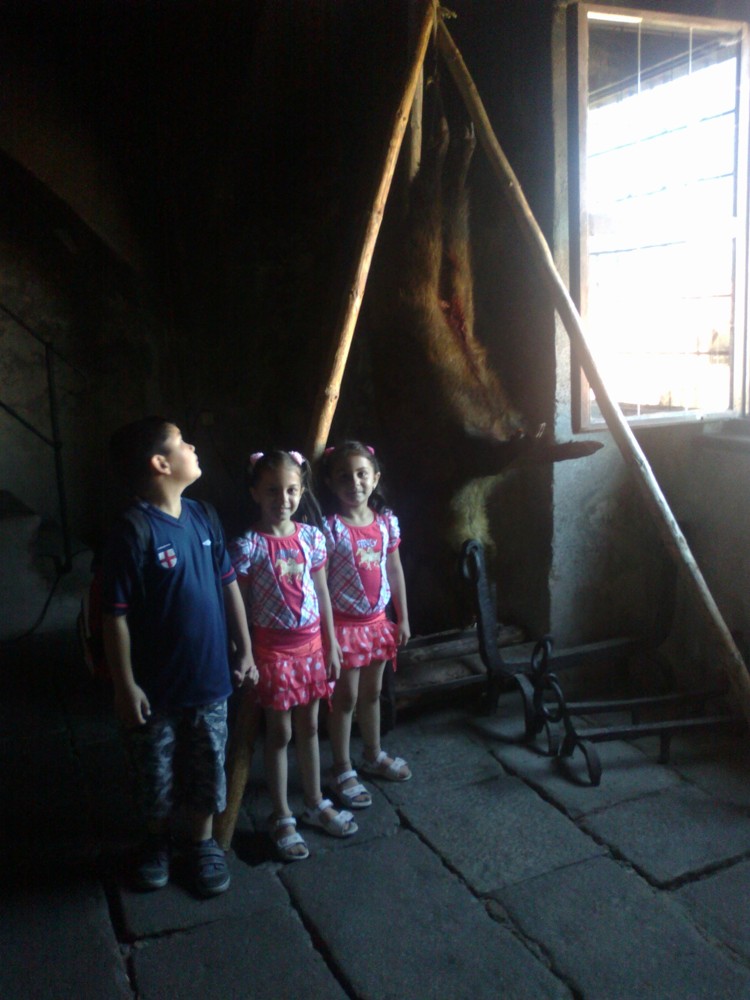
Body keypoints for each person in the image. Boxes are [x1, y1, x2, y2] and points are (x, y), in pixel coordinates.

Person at [101, 416, 257, 897]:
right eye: (182, 442)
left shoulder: (204, 516)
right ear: (160, 463)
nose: (193, 447)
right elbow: (114, 617)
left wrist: (245, 648)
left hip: (210, 679)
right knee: (156, 771)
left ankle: (202, 842)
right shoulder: (133, 531)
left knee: (208, 765)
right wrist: (125, 685)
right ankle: (156, 843)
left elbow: (228, 584)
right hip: (157, 688)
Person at [229, 449, 357, 862]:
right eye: (272, 490)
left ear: (302, 491)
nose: (282, 499)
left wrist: (331, 644)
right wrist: (244, 652)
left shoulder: (312, 538)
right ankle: (281, 814)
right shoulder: (248, 546)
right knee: (280, 733)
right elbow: (238, 604)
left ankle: (315, 801)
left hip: (312, 649)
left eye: (291, 490)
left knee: (310, 726)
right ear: (254, 492)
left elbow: (322, 594)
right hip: (273, 653)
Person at [319, 441, 411, 811]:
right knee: (345, 699)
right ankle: (341, 768)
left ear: (375, 478)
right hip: (344, 628)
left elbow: (395, 570)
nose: (354, 482)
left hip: (377, 624)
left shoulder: (386, 523)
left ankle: (372, 754)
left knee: (373, 694)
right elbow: (320, 585)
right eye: (344, 476)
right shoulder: (330, 529)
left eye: (361, 474)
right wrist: (327, 638)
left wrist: (402, 617)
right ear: (330, 483)